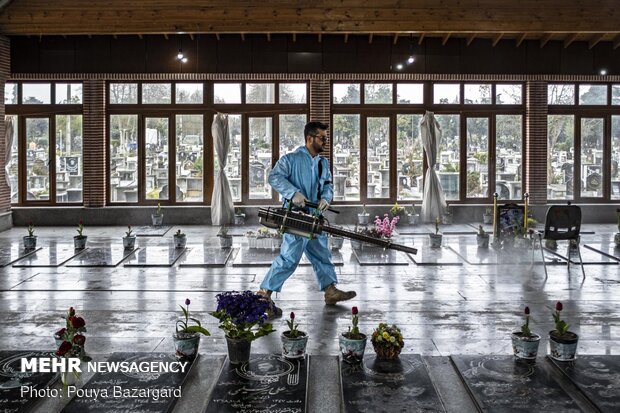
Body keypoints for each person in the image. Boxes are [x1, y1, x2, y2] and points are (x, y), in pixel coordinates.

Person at [257, 121, 357, 317]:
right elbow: (274, 177)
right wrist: (293, 193)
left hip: (315, 216)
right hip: (296, 218)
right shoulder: (291, 159)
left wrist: (325, 199)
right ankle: (263, 294)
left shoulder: (322, 163)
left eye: (326, 138)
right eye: (322, 138)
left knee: (321, 253)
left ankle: (330, 291)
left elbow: (327, 184)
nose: (325, 142)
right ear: (309, 138)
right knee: (289, 257)